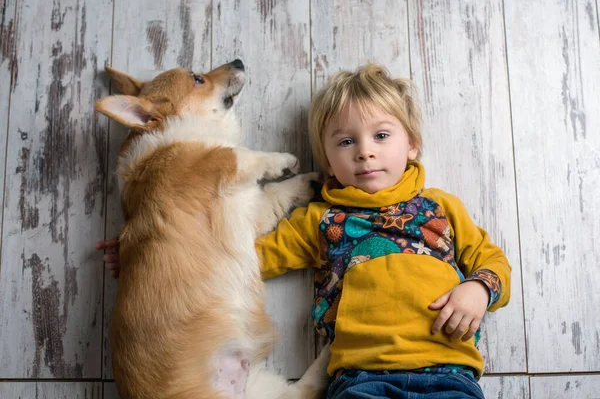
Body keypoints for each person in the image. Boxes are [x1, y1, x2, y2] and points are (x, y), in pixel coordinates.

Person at [98, 64, 511, 398]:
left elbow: (492, 261)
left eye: (381, 136)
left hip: (449, 373)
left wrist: (479, 288)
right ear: (328, 162)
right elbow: (241, 256)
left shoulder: (440, 207)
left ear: (412, 145)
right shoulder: (321, 219)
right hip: (360, 379)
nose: (365, 150)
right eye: (346, 142)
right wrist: (152, 248)